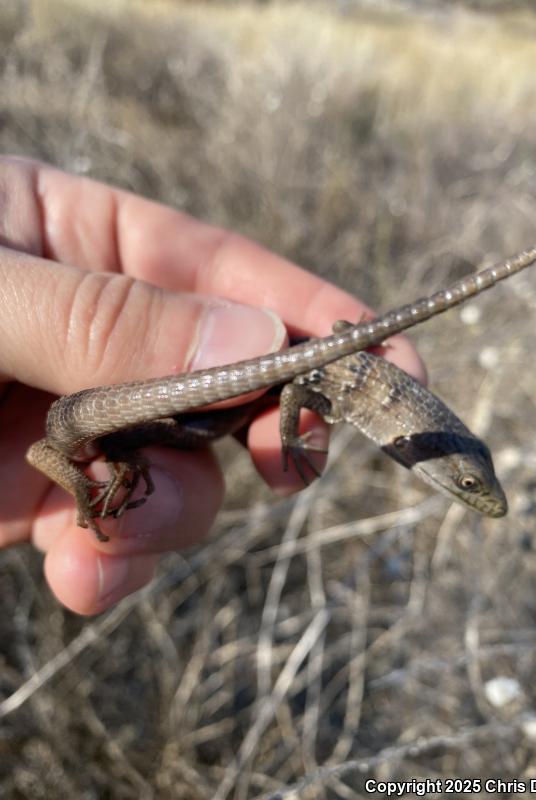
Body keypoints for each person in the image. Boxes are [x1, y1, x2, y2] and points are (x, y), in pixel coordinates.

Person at [0, 156, 426, 615]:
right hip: (96, 426)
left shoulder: (68, 445)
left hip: (90, 424)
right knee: (113, 472)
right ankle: (99, 470)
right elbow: (45, 454)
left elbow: (42, 452)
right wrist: (84, 485)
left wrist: (86, 481)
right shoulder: (78, 446)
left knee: (115, 470)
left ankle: (99, 469)